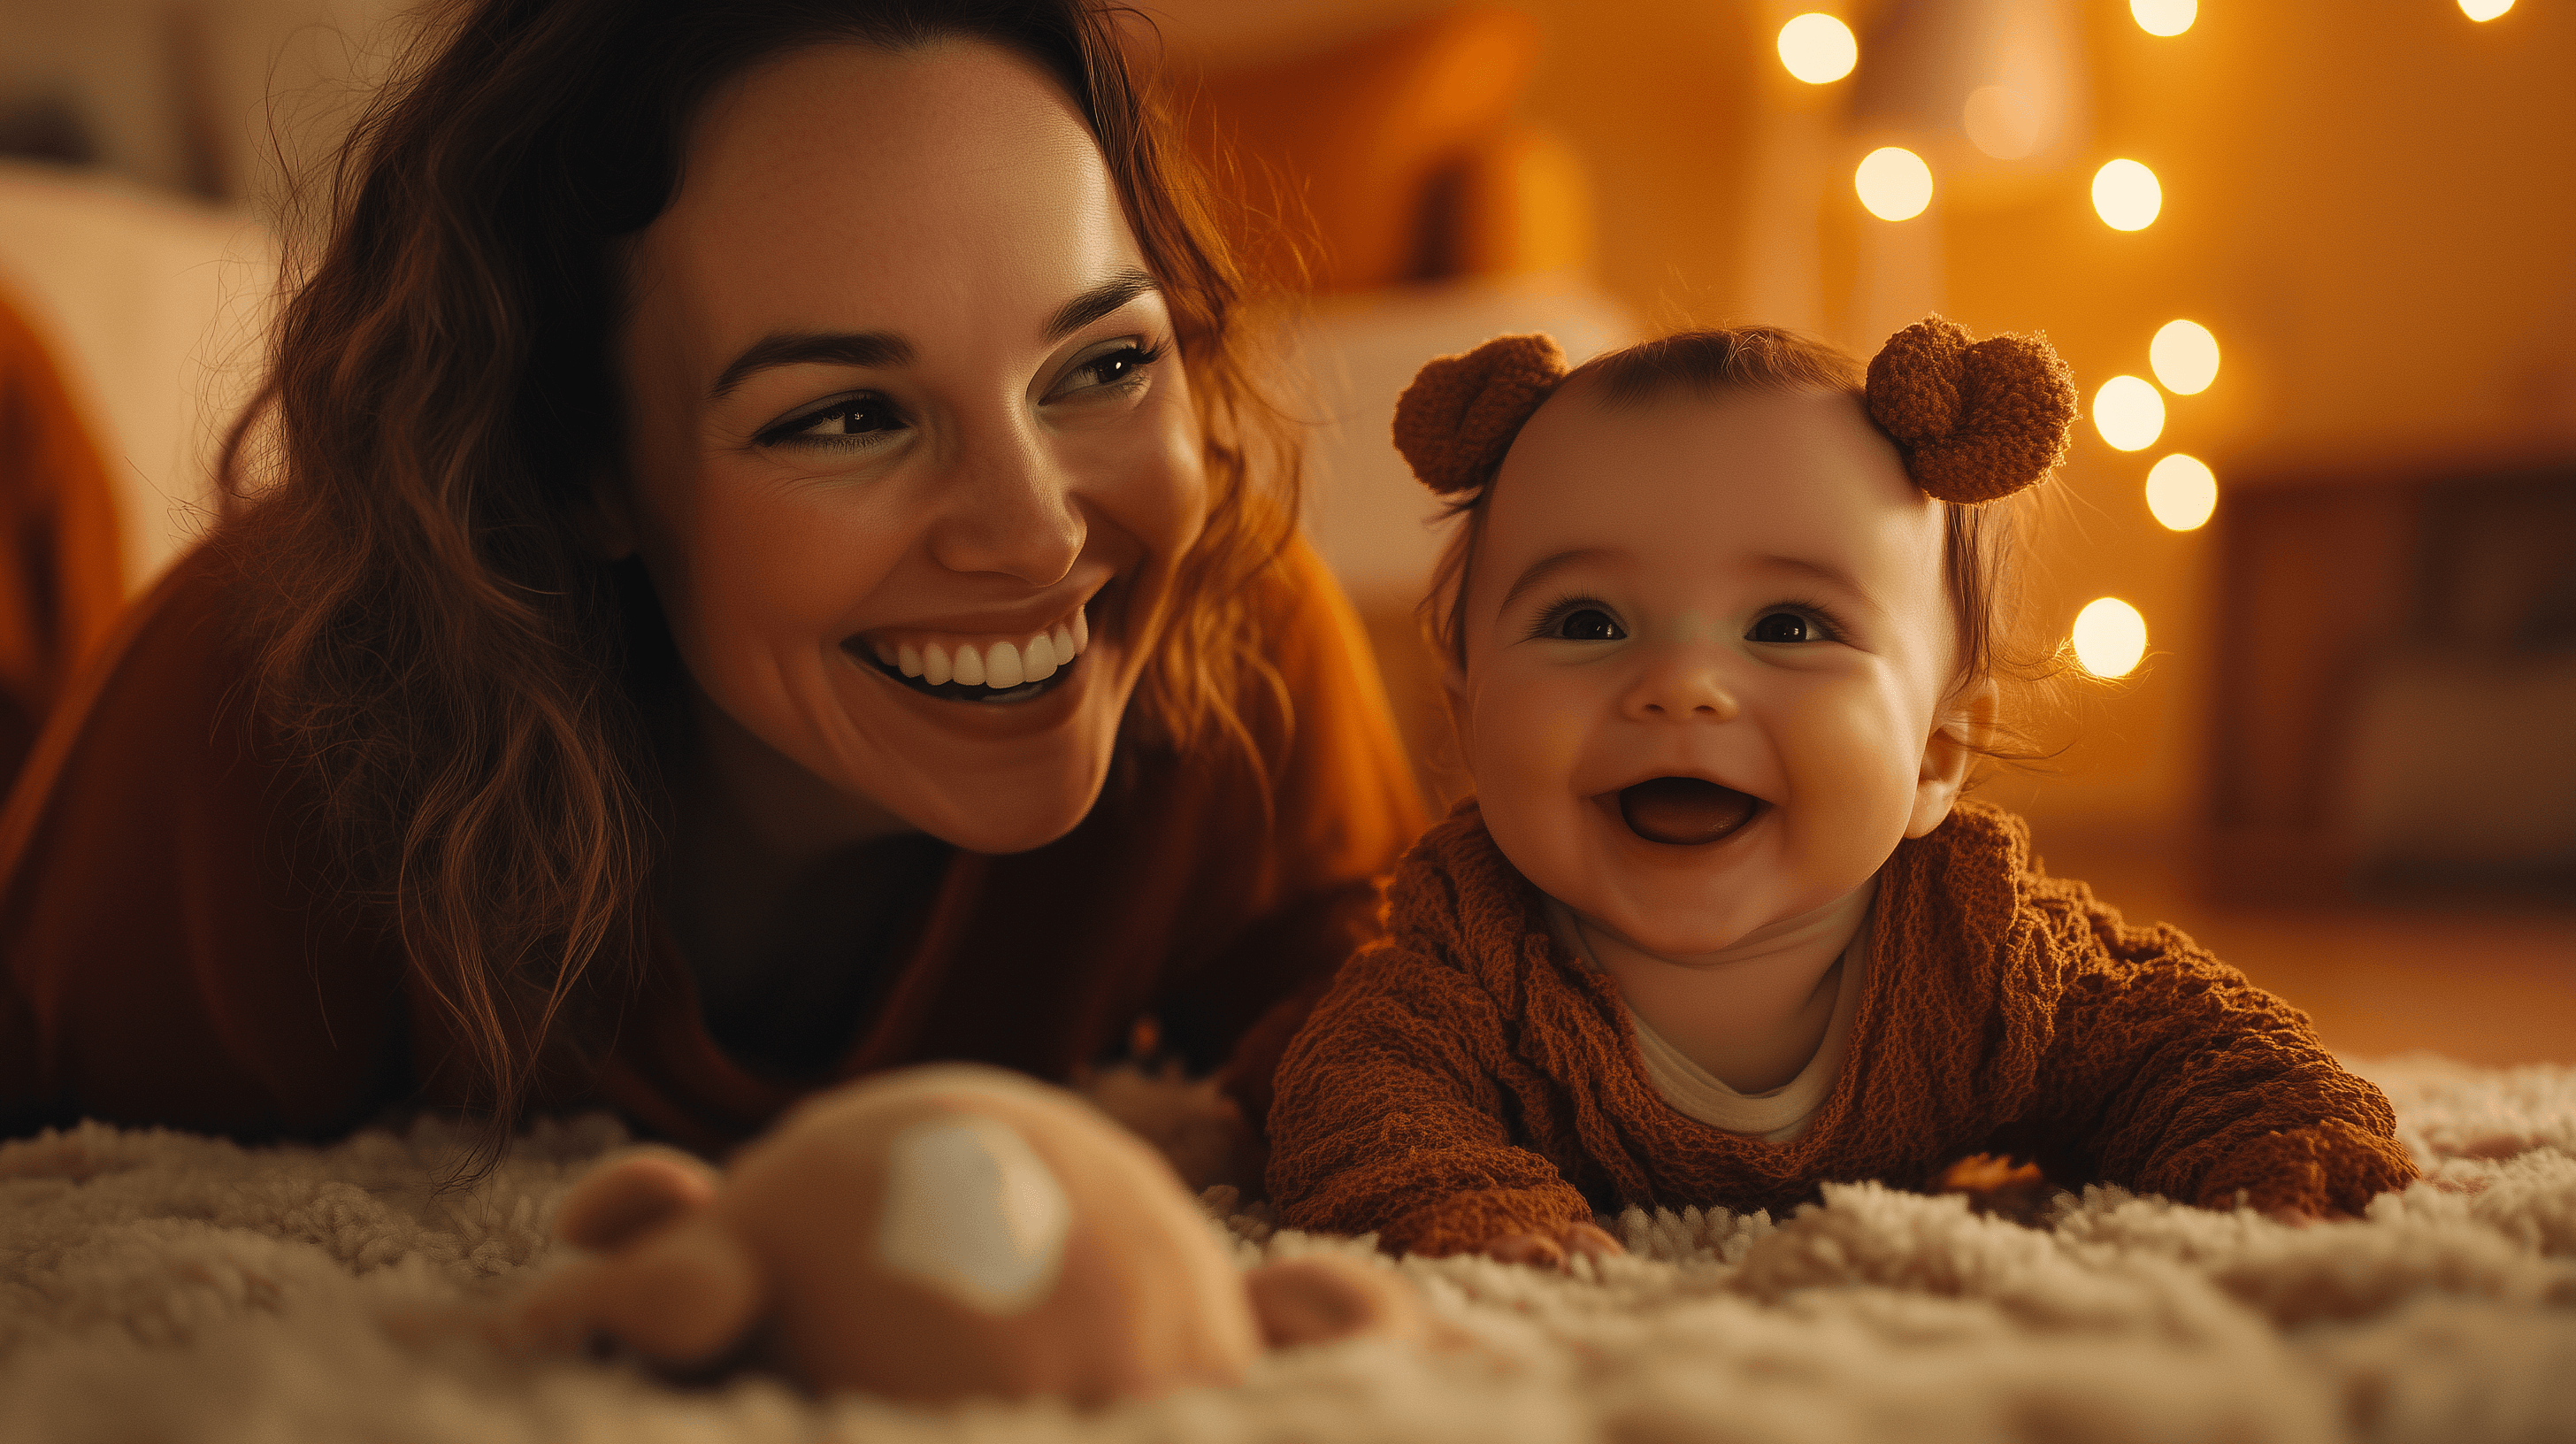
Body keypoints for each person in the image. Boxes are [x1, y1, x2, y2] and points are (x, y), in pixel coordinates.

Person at [0, 0, 1423, 1163]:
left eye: (1106, 365)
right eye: (847, 416)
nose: (1040, 538)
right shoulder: (274, 719)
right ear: (577, 466)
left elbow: (1430, 1093)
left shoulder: (1224, 633)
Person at [1265, 320, 2417, 1264]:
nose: (1680, 687)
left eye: (1789, 626)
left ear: (1934, 757)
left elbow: (2200, 1054)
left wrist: (2283, 1159)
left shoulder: (1986, 953)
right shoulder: (1466, 961)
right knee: (1280, 1049)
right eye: (1587, 622)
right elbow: (1362, 1110)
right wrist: (1462, 1207)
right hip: (1332, 1036)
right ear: (1468, 715)